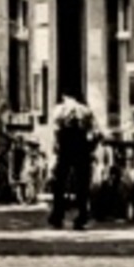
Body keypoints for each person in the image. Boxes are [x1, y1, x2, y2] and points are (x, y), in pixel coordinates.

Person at [49, 94, 97, 230]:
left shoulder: (60, 109)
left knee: (60, 182)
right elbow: (94, 131)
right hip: (81, 148)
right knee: (82, 183)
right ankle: (82, 216)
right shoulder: (85, 110)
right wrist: (90, 148)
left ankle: (58, 215)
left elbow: (56, 130)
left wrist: (55, 148)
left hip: (65, 147)